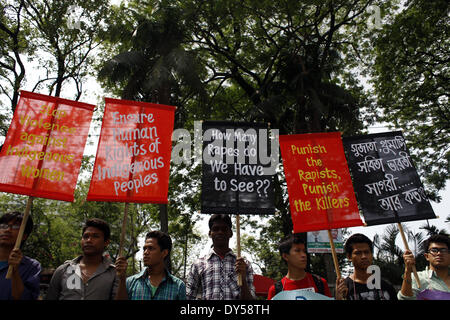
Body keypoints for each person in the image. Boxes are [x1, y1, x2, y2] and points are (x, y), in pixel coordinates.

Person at [46, 218, 120, 300]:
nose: (89, 240)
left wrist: (122, 278)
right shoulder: (63, 270)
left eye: (95, 236)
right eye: (86, 236)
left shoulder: (114, 273)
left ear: (106, 242)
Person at [186, 214, 255, 300]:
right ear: (210, 233)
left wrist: (243, 279)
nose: (220, 232)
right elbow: (188, 296)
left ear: (230, 233)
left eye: (224, 229)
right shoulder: (198, 264)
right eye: (215, 229)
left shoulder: (244, 265)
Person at [267, 233, 334, 300]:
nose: (303, 255)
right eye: (297, 251)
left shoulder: (320, 283)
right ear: (285, 256)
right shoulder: (275, 291)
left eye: (304, 251)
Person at [124, 230, 186, 300]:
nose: (146, 252)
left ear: (164, 253)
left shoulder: (178, 286)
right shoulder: (130, 283)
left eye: (151, 248)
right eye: (144, 249)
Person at [342, 233, 397, 300]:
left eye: (367, 252)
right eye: (358, 253)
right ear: (349, 256)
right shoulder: (344, 289)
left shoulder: (386, 286)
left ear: (372, 254)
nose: (364, 256)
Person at [0, 211, 41, 300]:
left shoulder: (31, 267)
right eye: (3, 226)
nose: (7, 230)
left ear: (24, 236)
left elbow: (24, 297)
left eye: (15, 226)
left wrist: (15, 271)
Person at [398, 234, 450, 300]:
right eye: (434, 250)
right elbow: (404, 298)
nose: (439, 253)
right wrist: (408, 269)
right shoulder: (416, 278)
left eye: (443, 250)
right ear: (427, 256)